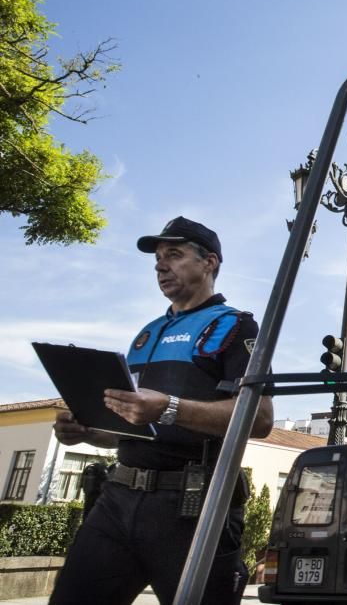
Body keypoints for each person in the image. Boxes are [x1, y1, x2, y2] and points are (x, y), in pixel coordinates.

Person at [49, 216, 274, 605]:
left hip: (193, 507)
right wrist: (88, 432)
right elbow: (132, 427)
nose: (160, 265)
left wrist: (168, 408)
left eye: (174, 254)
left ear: (210, 262)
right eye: (157, 257)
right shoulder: (146, 333)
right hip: (116, 500)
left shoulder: (238, 328)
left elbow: (260, 420)